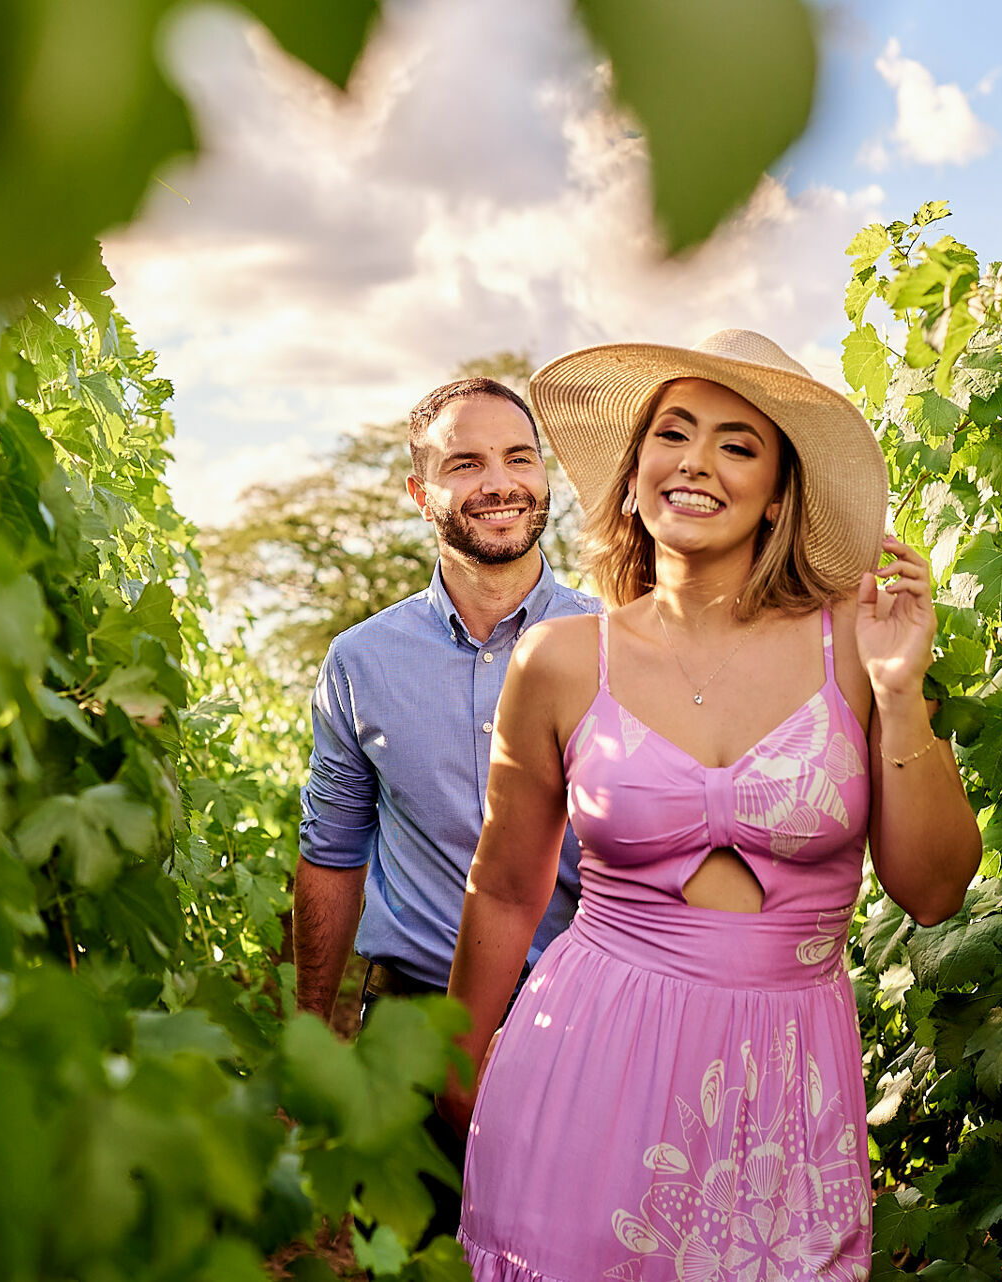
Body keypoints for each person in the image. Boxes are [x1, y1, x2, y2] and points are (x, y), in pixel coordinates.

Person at [442, 330, 982, 1281]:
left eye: (737, 445)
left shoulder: (858, 645)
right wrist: (452, 1073)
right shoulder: (561, 661)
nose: (695, 462)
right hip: (582, 1066)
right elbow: (503, 891)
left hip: (784, 1090)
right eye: (673, 434)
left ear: (779, 490)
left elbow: (935, 892)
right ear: (636, 467)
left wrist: (901, 695)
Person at [295, 375, 597, 1239]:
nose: (500, 482)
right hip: (415, 1032)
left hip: (585, 1018)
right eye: (465, 463)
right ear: (419, 491)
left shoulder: (617, 642)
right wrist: (316, 1033)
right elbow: (332, 853)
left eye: (518, 457)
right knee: (419, 1257)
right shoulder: (361, 662)